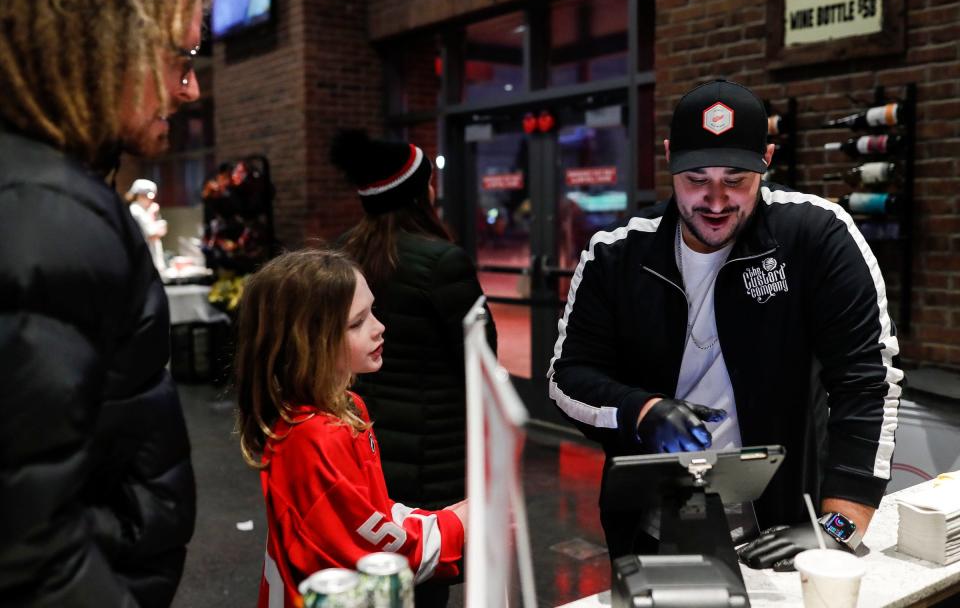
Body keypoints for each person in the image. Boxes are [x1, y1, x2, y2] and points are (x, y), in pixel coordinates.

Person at [547, 79, 903, 569]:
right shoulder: (617, 255)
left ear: (768, 158)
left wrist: (838, 527)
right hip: (652, 527)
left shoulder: (816, 236)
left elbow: (866, 382)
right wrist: (641, 409)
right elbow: (568, 379)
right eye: (696, 179)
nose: (715, 202)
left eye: (735, 179)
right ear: (669, 157)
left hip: (783, 523)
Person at [0, 0, 208, 605]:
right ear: (106, 42)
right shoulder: (49, 213)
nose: (191, 89)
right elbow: (28, 555)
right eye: (183, 57)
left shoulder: (48, 190)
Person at [234, 249, 467, 608]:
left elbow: (370, 513)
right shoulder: (314, 436)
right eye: (357, 323)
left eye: (372, 312)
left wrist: (444, 518)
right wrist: (456, 526)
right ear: (307, 341)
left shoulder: (345, 406)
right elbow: (364, 548)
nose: (379, 327)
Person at [334, 129, 497, 511]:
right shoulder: (442, 261)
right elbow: (480, 357)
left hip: (363, 431)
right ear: (417, 194)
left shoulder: (341, 252)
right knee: (439, 545)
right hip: (438, 446)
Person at [127, 178, 169, 274]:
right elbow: (153, 233)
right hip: (144, 261)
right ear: (140, 196)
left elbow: (163, 230)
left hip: (151, 260)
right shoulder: (136, 211)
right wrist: (153, 215)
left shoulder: (146, 210)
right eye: (148, 197)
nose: (151, 200)